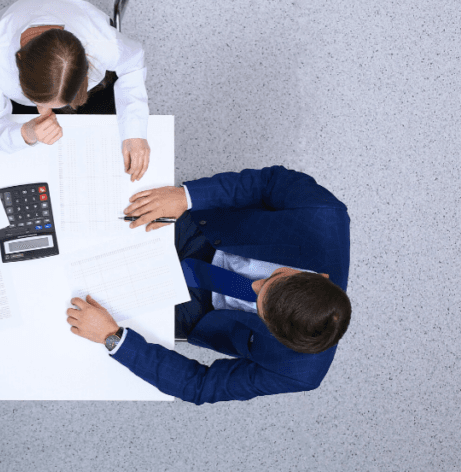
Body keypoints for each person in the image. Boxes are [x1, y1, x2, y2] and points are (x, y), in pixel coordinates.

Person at [66, 166, 352, 404]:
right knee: (99, 214)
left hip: (201, 311)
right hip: (210, 232)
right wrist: (186, 197)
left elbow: (200, 385)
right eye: (270, 278)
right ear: (317, 276)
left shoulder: (298, 372)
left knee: (79, 299)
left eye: (260, 307)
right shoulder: (324, 215)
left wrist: (112, 337)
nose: (252, 286)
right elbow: (267, 183)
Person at [0, 0, 151, 181]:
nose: (50, 111)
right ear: (18, 62)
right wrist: (25, 133)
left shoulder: (102, 43)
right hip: (19, 100)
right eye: (40, 102)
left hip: (90, 91)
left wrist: (134, 132)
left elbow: (133, 65)